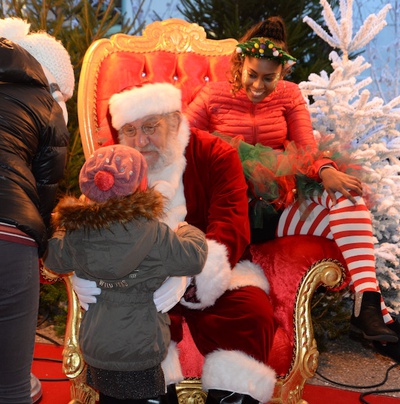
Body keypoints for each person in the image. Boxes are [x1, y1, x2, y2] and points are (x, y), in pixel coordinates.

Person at [185, 16, 400, 360]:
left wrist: (326, 169)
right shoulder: (213, 94)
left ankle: (367, 306)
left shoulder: (289, 94)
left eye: (269, 78)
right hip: (229, 214)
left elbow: (306, 147)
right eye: (252, 75)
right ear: (240, 65)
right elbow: (182, 137)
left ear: (282, 73)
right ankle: (382, 317)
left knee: (346, 198)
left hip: (278, 213)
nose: (258, 85)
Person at [72, 82, 277, 404]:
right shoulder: (110, 168)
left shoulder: (215, 154)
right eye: (129, 130)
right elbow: (88, 227)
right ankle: (148, 395)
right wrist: (85, 272)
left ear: (176, 121)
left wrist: (191, 273)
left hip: (210, 273)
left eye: (150, 127)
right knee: (127, 323)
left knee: (250, 314)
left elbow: (230, 223)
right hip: (135, 279)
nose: (140, 141)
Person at [44, 144, 208, 404]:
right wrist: (187, 230)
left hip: (99, 345)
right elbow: (193, 258)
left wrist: (66, 228)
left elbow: (54, 257)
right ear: (139, 185)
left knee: (109, 397)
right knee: (151, 396)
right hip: (142, 345)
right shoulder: (155, 232)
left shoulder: (76, 235)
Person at [0, 17, 74, 403]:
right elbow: (46, 190)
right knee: (12, 383)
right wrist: (41, 243)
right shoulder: (45, 105)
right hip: (9, 235)